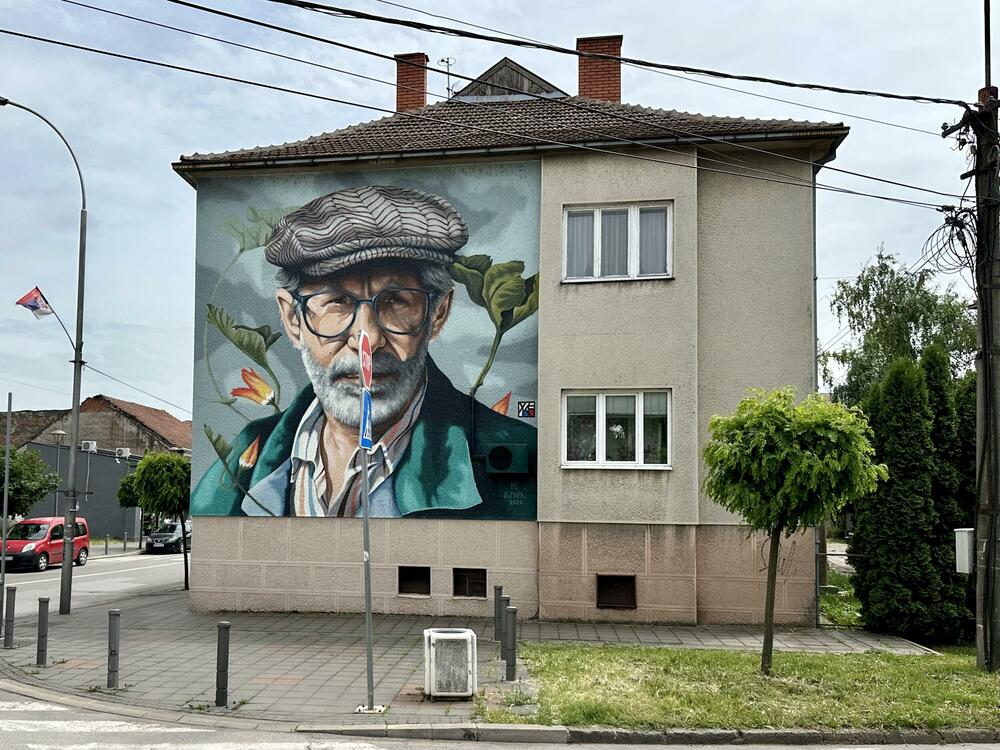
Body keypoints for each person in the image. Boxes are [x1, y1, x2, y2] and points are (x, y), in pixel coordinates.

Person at [192, 185, 536, 518]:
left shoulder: (514, 451)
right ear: (293, 319)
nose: (367, 339)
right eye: (338, 302)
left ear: (438, 313)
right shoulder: (247, 455)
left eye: (395, 301)